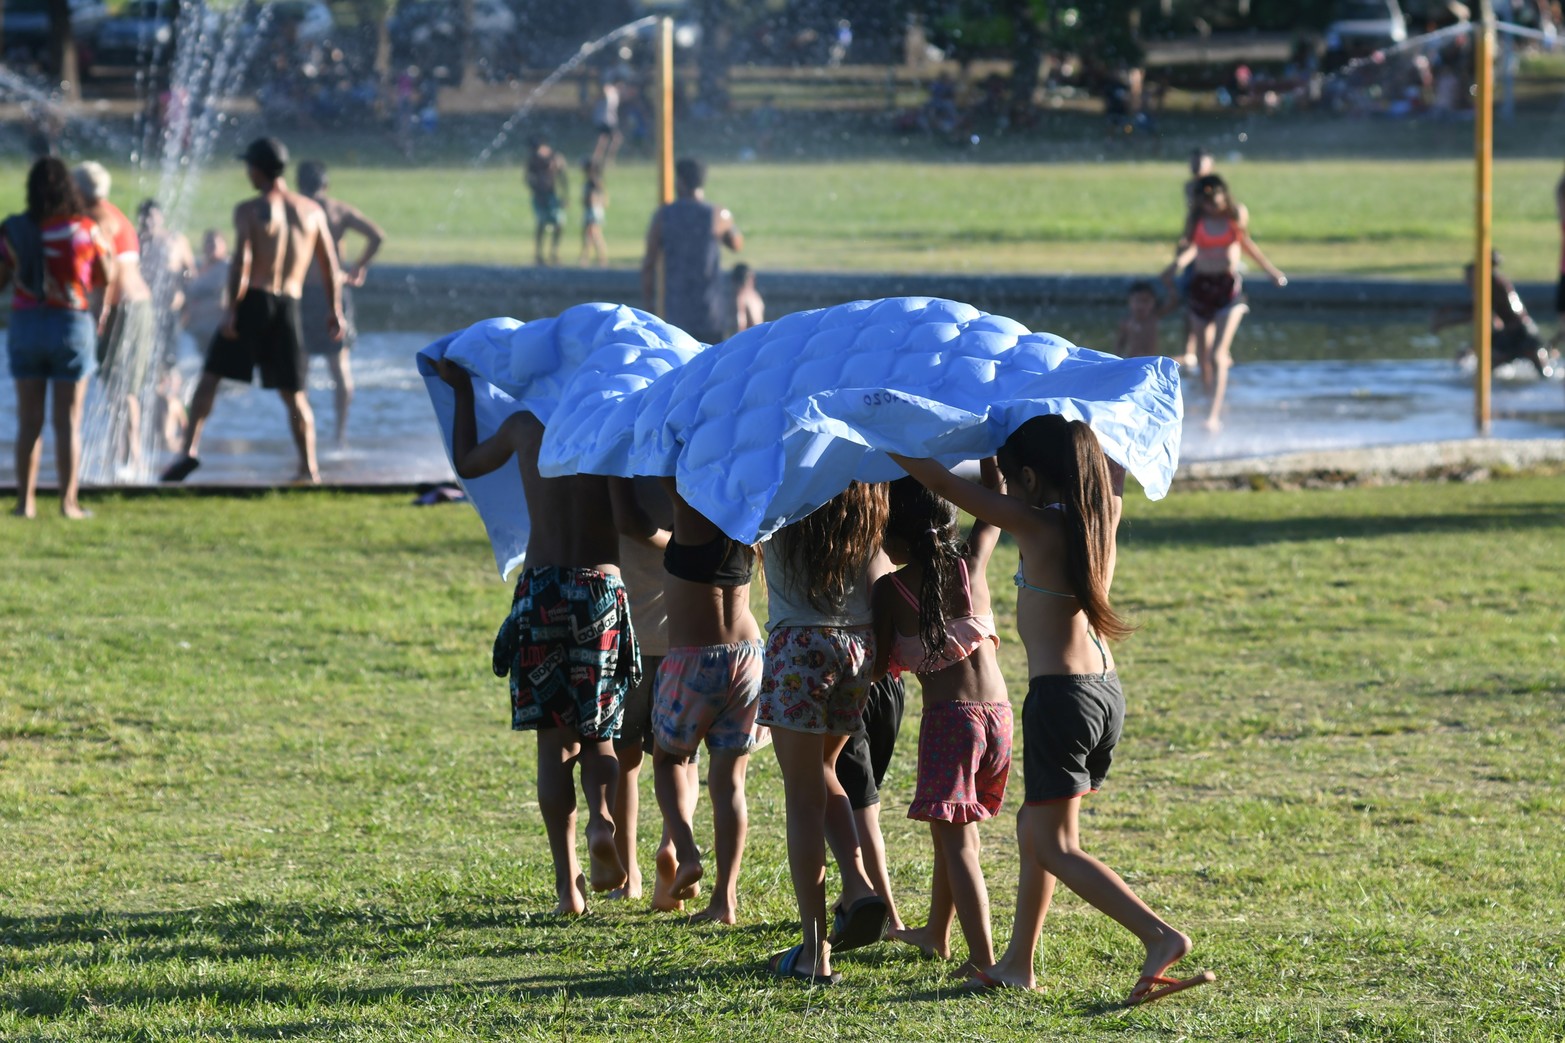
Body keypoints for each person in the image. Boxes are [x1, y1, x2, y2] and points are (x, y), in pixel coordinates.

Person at [889, 417, 1213, 1005]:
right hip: (1103, 691)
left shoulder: (1035, 524)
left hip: (1061, 698)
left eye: (1014, 482)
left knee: (1057, 845)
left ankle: (1160, 936)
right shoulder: (1102, 517)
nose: (1007, 492)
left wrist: (885, 434)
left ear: (1033, 479)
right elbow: (1106, 457)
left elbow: (945, 484)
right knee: (1033, 828)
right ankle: (1017, 963)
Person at [434, 356, 636, 915]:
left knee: (553, 742)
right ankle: (602, 820)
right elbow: (629, 519)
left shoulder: (525, 427)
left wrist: (464, 392)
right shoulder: (610, 427)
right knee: (601, 734)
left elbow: (470, 464)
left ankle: (567, 887)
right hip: (600, 587)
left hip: (542, 587)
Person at [873, 473, 1011, 979]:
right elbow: (993, 501)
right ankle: (935, 933)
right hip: (998, 719)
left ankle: (983, 960)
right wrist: (990, 452)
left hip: (950, 723)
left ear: (894, 538)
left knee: (959, 846)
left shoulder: (891, 589)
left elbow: (878, 663)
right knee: (954, 835)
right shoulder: (972, 562)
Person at [758, 482, 891, 985]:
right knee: (824, 769)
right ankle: (857, 884)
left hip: (799, 643)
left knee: (802, 800)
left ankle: (815, 952)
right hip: (857, 645)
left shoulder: (780, 481)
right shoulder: (863, 487)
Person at [160, 138, 343, 485]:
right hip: (289, 303)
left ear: (256, 170)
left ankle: (189, 451)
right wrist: (335, 309)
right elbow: (330, 265)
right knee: (294, 393)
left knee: (210, 378)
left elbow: (242, 261)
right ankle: (309, 470)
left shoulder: (249, 210)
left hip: (254, 301)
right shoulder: (312, 211)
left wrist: (231, 309)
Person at [648, 479, 769, 925]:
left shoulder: (691, 507)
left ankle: (686, 849)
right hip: (750, 658)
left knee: (668, 761)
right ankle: (725, 901)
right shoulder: (752, 517)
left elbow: (660, 468)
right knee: (730, 784)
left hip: (694, 661)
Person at [0, 157, 113, 519]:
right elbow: (104, 276)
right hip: (70, 324)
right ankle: (68, 503)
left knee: (28, 420)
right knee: (68, 422)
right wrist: (98, 311)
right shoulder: (85, 229)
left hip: (27, 325)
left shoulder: (15, 231)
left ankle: (24, 503)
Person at [1166, 174, 1287, 433]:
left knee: (1219, 355)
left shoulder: (1235, 213)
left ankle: (1212, 415)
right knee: (1203, 357)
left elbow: (1245, 243)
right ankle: (1211, 399)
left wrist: (1271, 271)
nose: (1210, 206)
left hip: (1227, 290)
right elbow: (1191, 247)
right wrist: (1176, 265)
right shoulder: (1196, 219)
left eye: (1213, 200)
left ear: (1223, 194)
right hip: (1201, 289)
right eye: (1205, 202)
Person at [606, 477, 674, 906]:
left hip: (622, 641)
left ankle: (625, 876)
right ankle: (675, 846)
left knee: (622, 762)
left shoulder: (616, 469)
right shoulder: (684, 466)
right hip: (680, 642)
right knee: (676, 760)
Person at [296, 160, 386, 448]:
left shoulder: (296, 209)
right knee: (339, 368)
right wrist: (359, 266)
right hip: (333, 290)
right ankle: (340, 435)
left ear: (299, 184)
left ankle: (304, 434)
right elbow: (377, 235)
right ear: (326, 184)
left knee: (301, 368)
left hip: (303, 294)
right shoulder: (337, 209)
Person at [75, 161, 155, 473]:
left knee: (122, 389)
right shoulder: (113, 212)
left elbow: (106, 273)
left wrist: (100, 312)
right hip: (136, 306)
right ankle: (124, 459)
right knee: (122, 387)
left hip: (124, 308)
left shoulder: (98, 219)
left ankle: (127, 462)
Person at [641, 158, 743, 345]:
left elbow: (649, 265)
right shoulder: (717, 215)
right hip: (710, 313)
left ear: (679, 181)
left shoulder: (664, 217)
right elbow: (737, 244)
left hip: (677, 314)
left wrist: (649, 307)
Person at [1431, 252, 1556, 378]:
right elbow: (1488, 314)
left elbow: (1477, 312)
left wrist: (1445, 322)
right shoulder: (1496, 283)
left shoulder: (1491, 284)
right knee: (1544, 374)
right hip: (1520, 331)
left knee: (1484, 371)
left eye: (1469, 277)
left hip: (1520, 333)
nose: (1467, 281)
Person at [136, 200, 195, 453]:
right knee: (147, 374)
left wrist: (181, 287)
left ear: (161, 217)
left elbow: (191, 272)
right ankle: (154, 432)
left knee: (168, 374)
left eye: (154, 217)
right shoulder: (137, 242)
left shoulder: (175, 240)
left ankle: (173, 432)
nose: (150, 223)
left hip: (169, 314)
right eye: (145, 218)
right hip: (145, 314)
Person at [181, 230, 230, 361]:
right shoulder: (197, 267)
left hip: (215, 328)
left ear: (224, 245)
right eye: (208, 243)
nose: (210, 247)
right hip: (194, 328)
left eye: (214, 244)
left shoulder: (227, 269)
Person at [526, 136, 569, 267]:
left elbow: (563, 177)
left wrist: (565, 195)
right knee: (541, 223)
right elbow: (527, 178)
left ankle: (554, 252)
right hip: (540, 196)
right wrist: (535, 189)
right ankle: (539, 254)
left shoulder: (555, 158)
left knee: (559, 223)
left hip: (552, 195)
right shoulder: (533, 160)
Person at [1114, 279, 1180, 359]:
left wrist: (1168, 282)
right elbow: (1119, 345)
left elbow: (1173, 302)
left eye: (1146, 301)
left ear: (1153, 302)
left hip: (1151, 361)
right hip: (1133, 361)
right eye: (1137, 300)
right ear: (1130, 301)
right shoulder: (1126, 322)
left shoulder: (1154, 317)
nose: (1141, 305)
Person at [578, 158, 608, 269]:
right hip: (590, 210)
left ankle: (593, 258)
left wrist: (595, 201)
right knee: (590, 236)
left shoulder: (594, 182)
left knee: (593, 235)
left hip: (593, 211)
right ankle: (588, 257)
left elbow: (602, 196)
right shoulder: (590, 181)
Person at [591, 78, 622, 168]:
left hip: (609, 120)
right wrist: (606, 90)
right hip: (605, 120)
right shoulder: (610, 90)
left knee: (604, 141)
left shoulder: (616, 93)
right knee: (611, 140)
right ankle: (606, 161)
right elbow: (603, 91)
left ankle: (598, 160)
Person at [731, 262, 764, 335]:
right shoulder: (756, 296)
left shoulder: (740, 298)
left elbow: (740, 324)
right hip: (760, 337)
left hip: (749, 339)